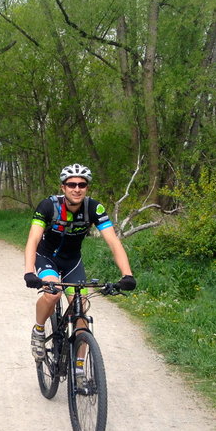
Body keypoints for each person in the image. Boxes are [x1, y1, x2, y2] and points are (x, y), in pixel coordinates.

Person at [23, 163, 136, 381]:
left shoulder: (93, 209)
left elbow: (113, 241)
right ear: (63, 187)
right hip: (47, 258)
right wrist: (30, 272)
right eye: (71, 184)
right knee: (52, 293)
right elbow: (33, 239)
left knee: (81, 309)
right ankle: (38, 330)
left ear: (86, 188)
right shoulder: (48, 206)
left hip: (72, 262)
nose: (77, 188)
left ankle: (79, 367)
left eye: (82, 184)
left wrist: (127, 274)